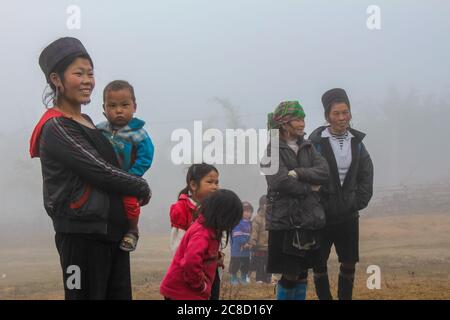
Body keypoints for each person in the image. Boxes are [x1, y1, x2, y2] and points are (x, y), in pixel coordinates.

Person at [29, 37, 151, 299]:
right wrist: (140, 185)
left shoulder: (86, 120)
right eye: (78, 73)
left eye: (91, 73)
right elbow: (99, 171)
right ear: (56, 79)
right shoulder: (57, 127)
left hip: (111, 234)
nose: (87, 80)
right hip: (81, 238)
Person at [310, 88, 374, 300]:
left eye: (345, 112)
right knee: (318, 263)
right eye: (336, 113)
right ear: (327, 115)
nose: (341, 118)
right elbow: (308, 174)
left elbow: (366, 173)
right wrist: (317, 204)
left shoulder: (357, 143)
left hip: (348, 214)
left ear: (350, 113)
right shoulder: (316, 143)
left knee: (348, 261)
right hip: (322, 216)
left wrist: (358, 201)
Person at [262, 101, 329, 300]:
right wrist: (310, 187)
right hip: (285, 222)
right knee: (289, 274)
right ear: (284, 124)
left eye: (303, 119)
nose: (302, 123)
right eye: (297, 119)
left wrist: (298, 172)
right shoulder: (271, 151)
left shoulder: (308, 147)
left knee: (302, 274)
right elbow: (280, 181)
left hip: (307, 220)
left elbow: (324, 172)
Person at [97, 80, 155, 252]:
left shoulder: (138, 133)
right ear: (104, 108)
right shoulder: (99, 130)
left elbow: (146, 156)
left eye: (124, 105)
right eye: (112, 105)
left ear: (134, 106)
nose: (119, 110)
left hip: (128, 178)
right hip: (104, 178)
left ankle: (132, 230)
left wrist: (133, 175)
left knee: (129, 203)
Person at [160, 189, 243, 300]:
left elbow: (203, 255)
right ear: (222, 216)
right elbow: (190, 261)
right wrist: (201, 285)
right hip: (182, 293)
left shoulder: (210, 229)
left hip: (189, 292)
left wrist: (215, 259)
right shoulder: (202, 232)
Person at [168, 163, 223, 299]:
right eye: (209, 182)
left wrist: (219, 255)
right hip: (190, 271)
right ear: (193, 185)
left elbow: (216, 239)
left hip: (211, 269)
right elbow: (178, 245)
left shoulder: (214, 209)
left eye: (217, 182)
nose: (215, 186)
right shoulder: (181, 208)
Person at [229, 201, 253, 285]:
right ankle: (233, 278)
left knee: (245, 265)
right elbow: (237, 235)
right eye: (245, 211)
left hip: (246, 251)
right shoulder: (237, 222)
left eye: (249, 211)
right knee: (235, 265)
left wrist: (250, 243)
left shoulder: (250, 223)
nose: (247, 213)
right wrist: (244, 243)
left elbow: (251, 235)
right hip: (237, 250)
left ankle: (243, 278)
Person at [249, 195, 271, 284]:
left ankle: (268, 279)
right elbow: (254, 232)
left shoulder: (272, 218)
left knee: (269, 264)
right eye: (266, 204)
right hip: (260, 246)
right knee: (260, 264)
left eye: (269, 204)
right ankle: (259, 279)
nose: (268, 206)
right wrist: (253, 242)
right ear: (261, 205)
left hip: (269, 246)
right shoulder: (257, 219)